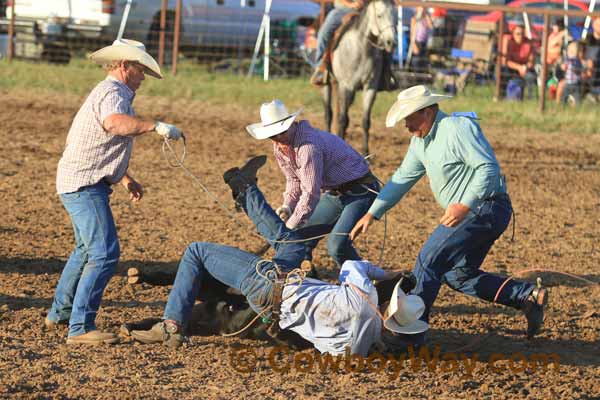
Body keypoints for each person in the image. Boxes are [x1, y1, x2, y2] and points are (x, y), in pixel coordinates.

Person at [130, 158, 427, 355]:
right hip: (274, 313)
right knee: (292, 243)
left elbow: (352, 264)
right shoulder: (359, 346)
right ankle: (245, 189)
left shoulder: (362, 297)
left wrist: (386, 276)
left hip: (271, 283)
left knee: (196, 251)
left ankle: (170, 326)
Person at [350, 85, 549, 346]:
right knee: (458, 274)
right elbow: (402, 178)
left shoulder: (457, 128)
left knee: (429, 259)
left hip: (484, 208)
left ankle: (409, 337)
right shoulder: (420, 141)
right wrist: (372, 213)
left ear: (429, 111)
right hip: (481, 211)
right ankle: (525, 296)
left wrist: (463, 205)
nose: (407, 126)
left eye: (410, 118)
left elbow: (488, 168)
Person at [46, 39, 184, 345]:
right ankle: (80, 328)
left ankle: (61, 313)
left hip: (79, 180)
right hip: (85, 184)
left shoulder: (110, 91)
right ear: (124, 66)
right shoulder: (113, 93)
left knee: (86, 250)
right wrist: (156, 126)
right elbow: (113, 124)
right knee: (105, 254)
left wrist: (123, 177)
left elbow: (99, 140)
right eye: (140, 69)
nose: (143, 77)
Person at [245, 100, 379, 268]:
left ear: (290, 124)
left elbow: (311, 192)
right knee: (300, 236)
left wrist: (290, 225)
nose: (278, 138)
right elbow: (293, 179)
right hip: (337, 192)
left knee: (337, 245)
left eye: (280, 132)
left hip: (362, 191)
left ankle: (368, 279)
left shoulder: (308, 147)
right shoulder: (280, 146)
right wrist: (288, 206)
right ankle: (306, 273)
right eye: (272, 135)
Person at [310, 0, 364, 86]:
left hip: (366, 11)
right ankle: (321, 68)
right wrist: (350, 4)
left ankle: (386, 69)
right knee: (324, 33)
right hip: (343, 11)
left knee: (384, 29)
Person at [501, 23, 537, 100]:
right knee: (502, 71)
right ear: (513, 34)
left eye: (522, 34)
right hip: (511, 67)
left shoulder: (529, 43)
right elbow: (505, 61)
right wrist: (519, 67)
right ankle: (501, 95)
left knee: (530, 77)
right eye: (518, 34)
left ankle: (530, 99)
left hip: (524, 68)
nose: (520, 36)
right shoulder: (508, 41)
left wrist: (525, 67)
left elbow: (531, 61)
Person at [556, 41, 590, 106]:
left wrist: (578, 70)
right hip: (568, 83)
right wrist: (563, 66)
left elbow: (581, 69)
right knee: (565, 95)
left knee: (577, 96)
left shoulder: (578, 61)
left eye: (571, 51)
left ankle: (577, 105)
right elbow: (563, 66)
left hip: (576, 83)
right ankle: (561, 104)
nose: (569, 53)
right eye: (568, 51)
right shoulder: (567, 60)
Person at [409, 6, 433, 73]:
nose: (422, 10)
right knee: (416, 59)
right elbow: (411, 33)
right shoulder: (414, 19)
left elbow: (431, 26)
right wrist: (413, 45)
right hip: (417, 41)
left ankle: (422, 73)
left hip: (424, 42)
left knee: (423, 60)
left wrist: (426, 15)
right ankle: (415, 73)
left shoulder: (425, 18)